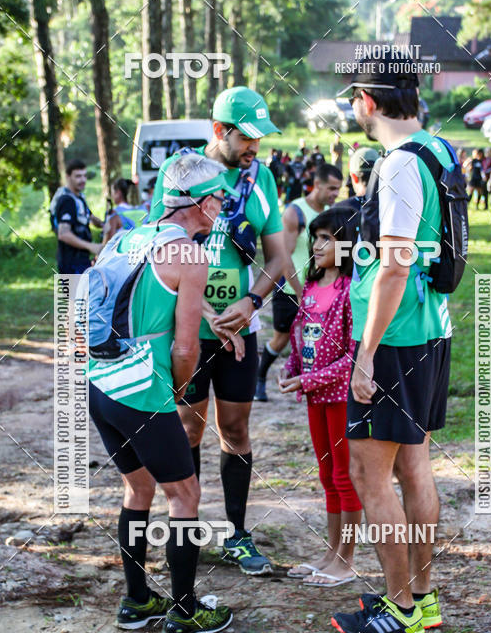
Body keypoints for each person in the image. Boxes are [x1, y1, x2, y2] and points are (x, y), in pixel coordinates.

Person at [87, 151, 239, 633]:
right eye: (220, 198)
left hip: (101, 383)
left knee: (138, 490)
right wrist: (177, 389)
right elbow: (186, 347)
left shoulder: (124, 238)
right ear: (200, 201)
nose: (223, 207)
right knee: (185, 495)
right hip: (141, 391)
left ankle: (136, 602)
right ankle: (184, 613)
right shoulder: (191, 256)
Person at [331, 64, 452, 633]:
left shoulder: (400, 162)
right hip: (430, 329)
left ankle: (400, 607)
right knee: (413, 466)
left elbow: (396, 264)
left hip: (396, 340)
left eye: (354, 98)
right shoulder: (436, 148)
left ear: (366, 101)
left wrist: (366, 353)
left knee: (369, 473)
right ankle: (420, 598)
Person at [148, 86, 286, 576]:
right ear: (219, 131)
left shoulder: (261, 177)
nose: (255, 147)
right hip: (189, 325)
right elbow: (157, 243)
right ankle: (185, 531)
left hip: (239, 328)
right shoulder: (181, 169)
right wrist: (201, 309)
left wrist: (251, 303)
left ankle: (237, 535)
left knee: (236, 429)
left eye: (260, 138)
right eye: (246, 137)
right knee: (188, 427)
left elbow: (279, 259)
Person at [279, 207, 362, 586]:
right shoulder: (311, 288)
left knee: (345, 477)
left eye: (327, 238)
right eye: (315, 237)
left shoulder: (351, 291)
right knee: (327, 476)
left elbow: (353, 358)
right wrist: (291, 367)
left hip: (341, 397)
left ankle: (346, 559)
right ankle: (330, 553)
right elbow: (301, 337)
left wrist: (308, 380)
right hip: (315, 397)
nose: (316, 245)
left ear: (347, 245)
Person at [255, 163, 343, 400]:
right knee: (281, 339)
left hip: (320, 291)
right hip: (290, 289)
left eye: (338, 189)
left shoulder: (330, 214)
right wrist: (301, 293)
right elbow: (284, 257)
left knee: (318, 339)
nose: (335, 194)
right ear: (317, 185)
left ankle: (313, 384)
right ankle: (259, 378)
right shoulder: (296, 212)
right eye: (331, 188)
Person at [52, 159, 103, 274]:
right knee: (69, 288)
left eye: (84, 176)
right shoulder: (66, 200)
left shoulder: (79, 198)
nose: (83, 180)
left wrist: (105, 224)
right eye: (78, 176)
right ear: (68, 177)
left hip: (82, 261)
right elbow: (63, 234)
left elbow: (90, 217)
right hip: (69, 264)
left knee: (85, 287)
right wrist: (91, 246)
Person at [102, 178, 146, 244]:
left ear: (118, 193)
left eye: (112, 192)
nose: (111, 196)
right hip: (145, 247)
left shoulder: (115, 213)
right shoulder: (145, 209)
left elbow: (108, 244)